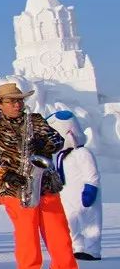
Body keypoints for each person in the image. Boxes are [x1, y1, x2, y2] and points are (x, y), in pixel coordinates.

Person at [0, 83, 91, 269]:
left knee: (60, 235)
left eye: (19, 100)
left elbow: (58, 141)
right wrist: (4, 173)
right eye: (11, 101)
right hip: (15, 188)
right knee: (26, 235)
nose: (17, 104)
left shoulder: (36, 120)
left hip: (45, 184)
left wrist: (43, 143)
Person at [47, 111, 102, 261]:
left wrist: (91, 189)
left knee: (90, 221)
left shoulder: (82, 152)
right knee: (71, 221)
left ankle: (92, 249)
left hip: (84, 194)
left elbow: (92, 173)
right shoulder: (61, 156)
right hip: (67, 194)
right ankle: (77, 247)